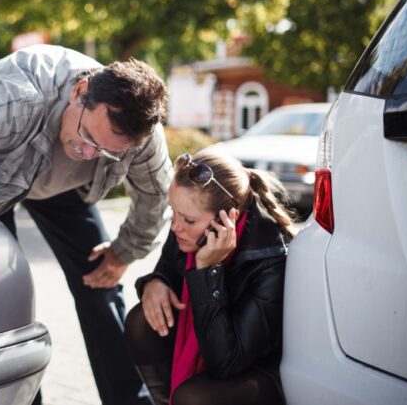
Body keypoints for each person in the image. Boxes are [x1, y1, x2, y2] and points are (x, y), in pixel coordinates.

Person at [0, 44, 172, 405]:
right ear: (78, 92)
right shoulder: (19, 97)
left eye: (104, 152)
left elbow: (156, 197)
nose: (87, 154)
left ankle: (131, 400)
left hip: (65, 188)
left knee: (101, 282)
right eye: (86, 137)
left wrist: (124, 252)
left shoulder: (141, 135)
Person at [125, 149, 295, 405]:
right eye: (174, 212)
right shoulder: (189, 229)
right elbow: (168, 269)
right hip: (214, 344)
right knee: (141, 322)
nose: (175, 227)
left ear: (227, 219)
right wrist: (154, 282)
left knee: (192, 398)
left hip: (262, 369)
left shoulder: (270, 260)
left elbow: (226, 361)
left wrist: (207, 270)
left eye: (188, 220)